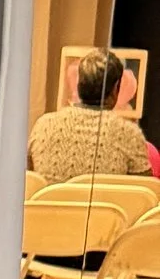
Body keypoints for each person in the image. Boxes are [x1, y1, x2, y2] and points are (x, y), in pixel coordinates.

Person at [26, 44, 160, 186]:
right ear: (116, 88)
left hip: (47, 208)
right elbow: (144, 193)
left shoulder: (44, 125)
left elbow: (26, 181)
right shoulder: (129, 135)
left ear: (79, 84)